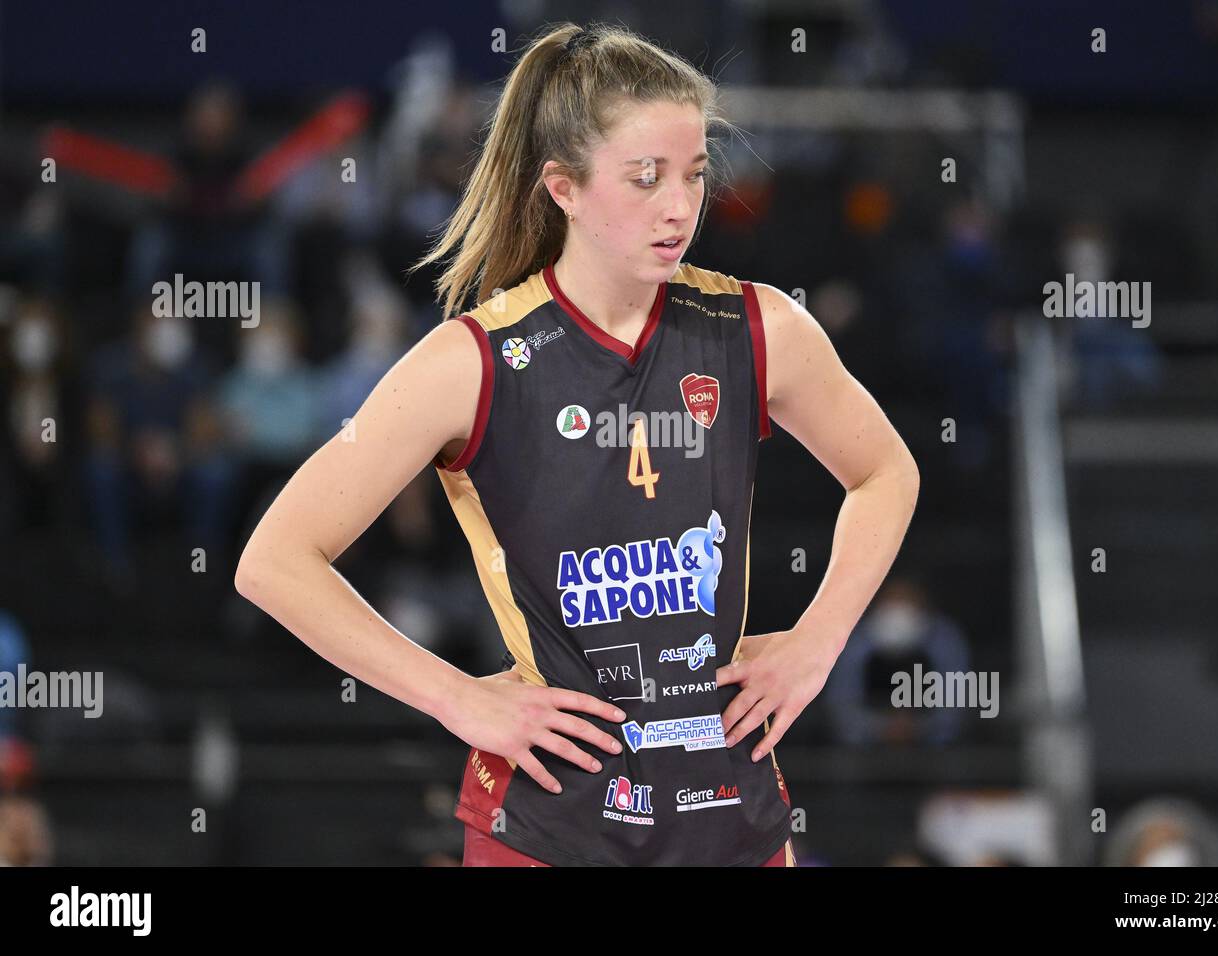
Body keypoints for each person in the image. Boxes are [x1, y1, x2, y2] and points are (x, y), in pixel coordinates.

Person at [235, 22, 919, 867]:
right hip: (552, 824)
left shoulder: (760, 325)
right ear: (562, 186)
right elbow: (274, 560)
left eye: (696, 175)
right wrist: (457, 699)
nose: (680, 206)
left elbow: (886, 471)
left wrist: (818, 645)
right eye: (646, 178)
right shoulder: (473, 360)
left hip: (726, 813)